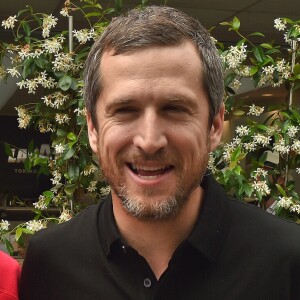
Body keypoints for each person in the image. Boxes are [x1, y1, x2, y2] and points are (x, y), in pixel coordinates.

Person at [19, 6, 300, 300]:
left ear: (214, 125)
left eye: (175, 109)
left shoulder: (287, 262)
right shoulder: (50, 265)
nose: (149, 141)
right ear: (92, 129)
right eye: (125, 110)